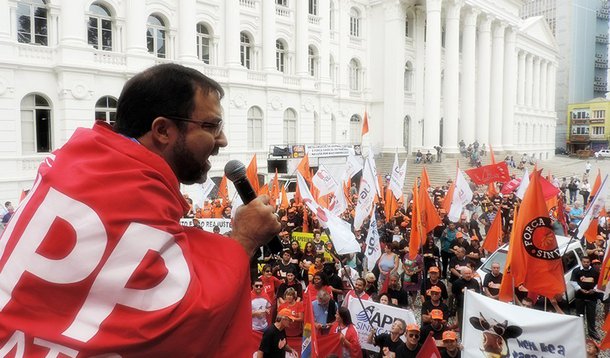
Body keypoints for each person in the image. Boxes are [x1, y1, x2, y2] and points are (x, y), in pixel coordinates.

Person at [0, 64, 281, 355]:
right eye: (211, 126)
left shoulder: (79, 167)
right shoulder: (129, 194)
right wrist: (245, 240)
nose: (222, 140)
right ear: (162, 130)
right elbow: (184, 323)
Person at [570, 256, 600, 340]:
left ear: (590, 262)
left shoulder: (595, 272)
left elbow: (599, 283)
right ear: (581, 262)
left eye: (587, 262)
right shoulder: (576, 271)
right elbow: (573, 281)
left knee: (591, 315)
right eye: (584, 262)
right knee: (579, 315)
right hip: (580, 296)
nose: (586, 263)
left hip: (592, 297)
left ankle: (592, 332)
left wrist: (594, 290)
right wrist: (580, 289)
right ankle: (579, 332)